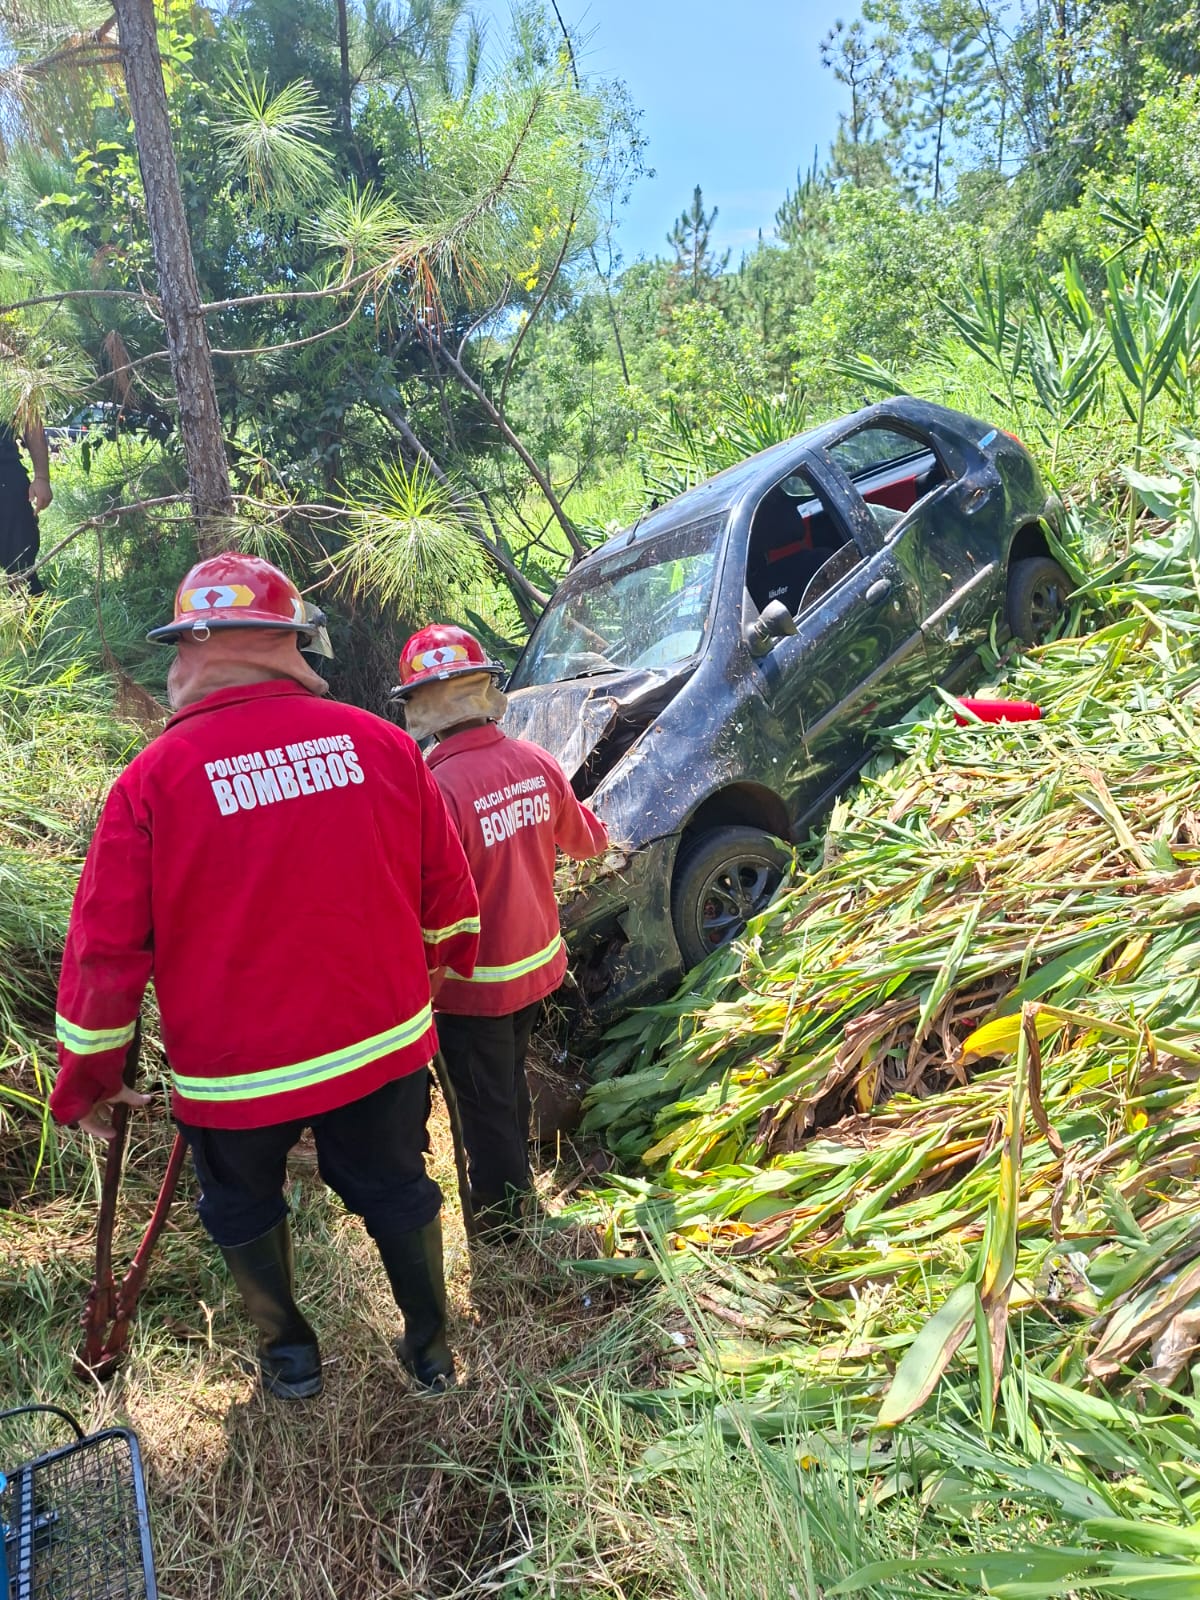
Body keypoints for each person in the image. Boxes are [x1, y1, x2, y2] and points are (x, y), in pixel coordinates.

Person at [50, 555, 480, 1398]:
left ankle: (291, 1362)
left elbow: (104, 957)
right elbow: (451, 899)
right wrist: (425, 983)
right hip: (378, 1042)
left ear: (190, 651)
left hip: (234, 1073)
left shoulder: (151, 782)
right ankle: (431, 1353)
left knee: (243, 1207)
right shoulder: (383, 745)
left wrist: (90, 1081)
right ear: (288, 642)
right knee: (396, 1187)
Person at [392, 624, 609, 1237]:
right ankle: (521, 1198)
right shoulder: (535, 762)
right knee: (506, 1084)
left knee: (480, 1108)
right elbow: (589, 843)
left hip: (472, 985)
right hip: (536, 969)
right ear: (487, 689)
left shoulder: (432, 787)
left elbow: (422, 899)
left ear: (420, 705)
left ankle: (504, 1228)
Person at [0, 415, 52, 595]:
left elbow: (30, 418)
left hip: (5, 477)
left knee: (21, 570)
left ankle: (28, 620)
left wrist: (42, 477)